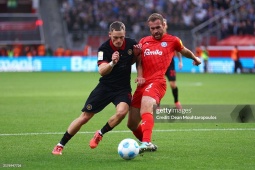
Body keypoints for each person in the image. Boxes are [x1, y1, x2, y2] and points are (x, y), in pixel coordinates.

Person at [52, 21, 141, 155]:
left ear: (125, 35)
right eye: (115, 37)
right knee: (85, 117)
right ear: (110, 34)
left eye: (121, 37)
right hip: (105, 87)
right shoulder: (103, 49)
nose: (118, 40)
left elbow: (131, 61)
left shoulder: (131, 43)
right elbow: (102, 71)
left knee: (122, 112)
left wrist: (135, 55)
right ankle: (60, 145)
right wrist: (112, 63)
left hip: (122, 89)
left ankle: (100, 133)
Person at [127, 13, 201, 153]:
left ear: (164, 25)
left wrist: (195, 58)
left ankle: (147, 142)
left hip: (158, 82)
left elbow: (184, 51)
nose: (155, 31)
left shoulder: (173, 41)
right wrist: (140, 75)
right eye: (152, 28)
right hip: (142, 84)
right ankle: (145, 141)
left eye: (158, 27)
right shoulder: (144, 41)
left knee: (147, 107)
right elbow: (139, 61)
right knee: (131, 124)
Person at [163, 18, 183, 109]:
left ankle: (176, 101)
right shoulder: (155, 40)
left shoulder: (172, 39)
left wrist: (180, 61)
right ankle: (157, 105)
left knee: (172, 85)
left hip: (170, 65)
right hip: (159, 66)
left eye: (164, 23)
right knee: (158, 85)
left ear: (166, 26)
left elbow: (178, 50)